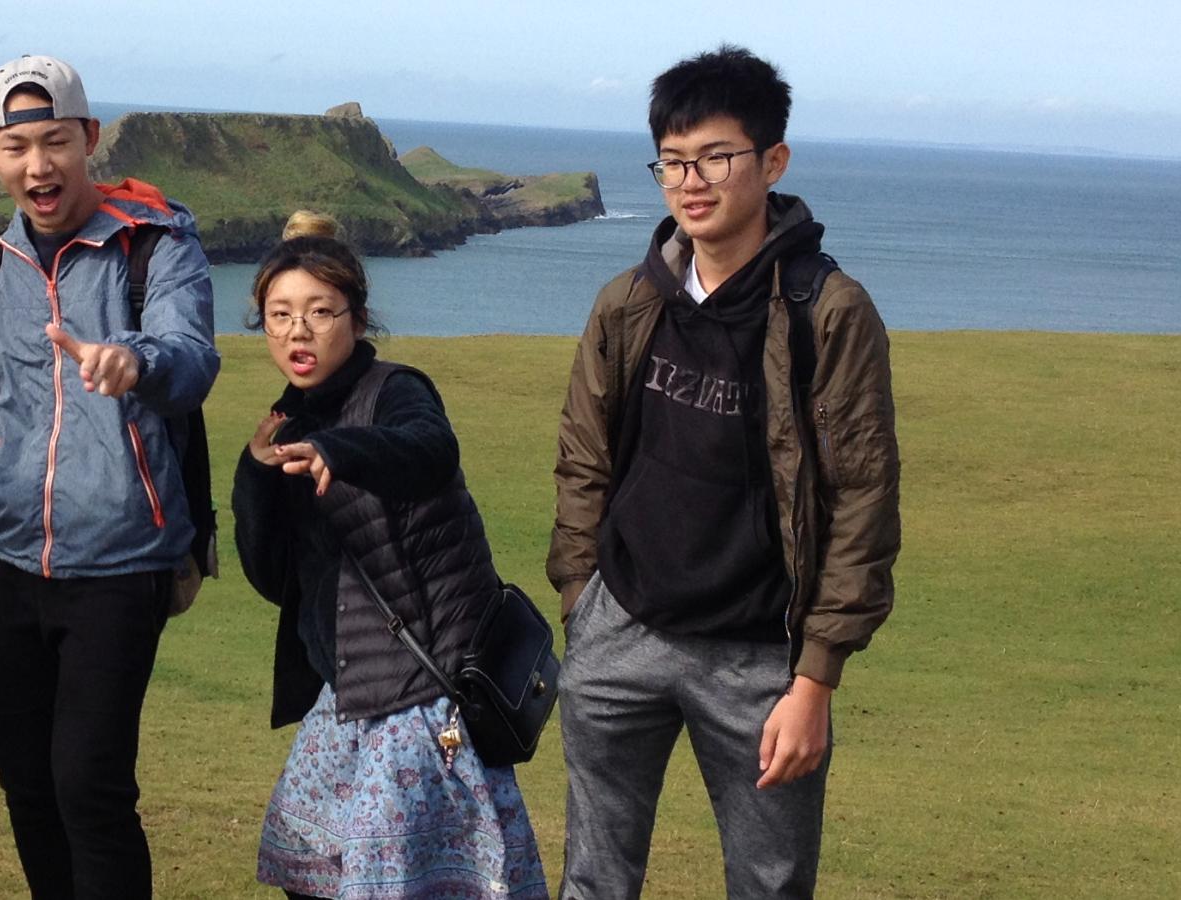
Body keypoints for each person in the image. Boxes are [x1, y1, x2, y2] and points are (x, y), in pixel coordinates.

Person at [547, 45, 901, 899]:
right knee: (593, 882)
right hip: (619, 630)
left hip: (759, 660)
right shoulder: (630, 301)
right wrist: (581, 600)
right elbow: (585, 458)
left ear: (773, 160)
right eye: (672, 160)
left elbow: (862, 498)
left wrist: (815, 677)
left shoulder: (830, 310)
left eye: (715, 156)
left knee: (769, 887)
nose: (690, 181)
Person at [0, 54, 219, 899]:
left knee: (89, 786)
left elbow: (194, 358)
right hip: (3, 569)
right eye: (17, 147)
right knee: (27, 788)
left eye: (56, 141)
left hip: (121, 565)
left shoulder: (156, 247)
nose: (38, 165)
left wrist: (136, 360)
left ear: (89, 138)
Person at [233, 211, 549, 900]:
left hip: (421, 693)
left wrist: (339, 452)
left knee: (397, 883)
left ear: (357, 316)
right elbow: (271, 577)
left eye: (320, 311)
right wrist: (256, 473)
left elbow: (429, 452)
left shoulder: (398, 391)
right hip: (348, 693)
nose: (298, 330)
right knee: (309, 867)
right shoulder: (287, 425)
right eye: (279, 314)